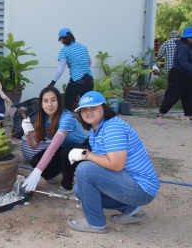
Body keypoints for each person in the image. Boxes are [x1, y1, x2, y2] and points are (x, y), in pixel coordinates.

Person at [67, 91, 160, 233]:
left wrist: (84, 154)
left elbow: (116, 165)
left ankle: (95, 223)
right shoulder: (95, 129)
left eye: (93, 108)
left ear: (104, 107)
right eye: (84, 110)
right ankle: (129, 208)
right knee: (80, 189)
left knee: (84, 169)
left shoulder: (112, 128)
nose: (88, 112)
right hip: (131, 184)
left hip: (141, 188)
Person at [21, 86, 88, 194]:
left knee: (67, 151)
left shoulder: (66, 118)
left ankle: (68, 184)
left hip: (83, 149)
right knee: (35, 160)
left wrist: (38, 171)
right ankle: (57, 175)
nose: (50, 104)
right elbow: (34, 146)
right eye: (46, 101)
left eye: (53, 100)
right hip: (64, 148)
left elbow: (53, 146)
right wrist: (27, 132)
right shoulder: (44, 119)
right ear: (41, 104)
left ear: (59, 102)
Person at [48, 28, 93, 111]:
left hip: (76, 81)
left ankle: (65, 123)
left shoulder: (64, 50)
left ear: (62, 39)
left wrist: (52, 82)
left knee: (66, 107)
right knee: (86, 107)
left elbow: (61, 69)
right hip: (89, 79)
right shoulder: (83, 47)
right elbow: (90, 63)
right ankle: (87, 124)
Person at [156, 27, 192, 125]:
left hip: (187, 75)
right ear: (189, 38)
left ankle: (191, 119)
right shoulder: (184, 47)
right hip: (178, 75)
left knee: (188, 97)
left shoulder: (187, 47)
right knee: (172, 95)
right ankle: (160, 116)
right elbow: (182, 61)